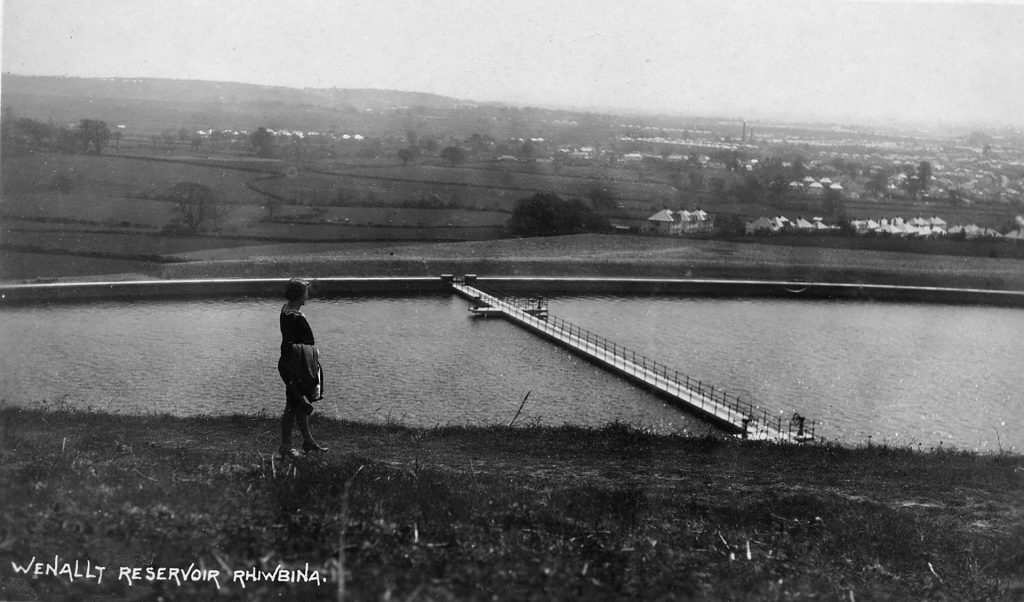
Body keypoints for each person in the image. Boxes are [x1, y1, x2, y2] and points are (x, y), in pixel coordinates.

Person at [277, 278, 329, 457]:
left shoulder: (286, 310)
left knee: (297, 403)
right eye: (306, 291)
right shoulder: (296, 316)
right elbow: (306, 341)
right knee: (293, 405)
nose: (308, 293)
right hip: (296, 364)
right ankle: (286, 446)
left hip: (289, 361)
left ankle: (308, 441)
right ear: (299, 295)